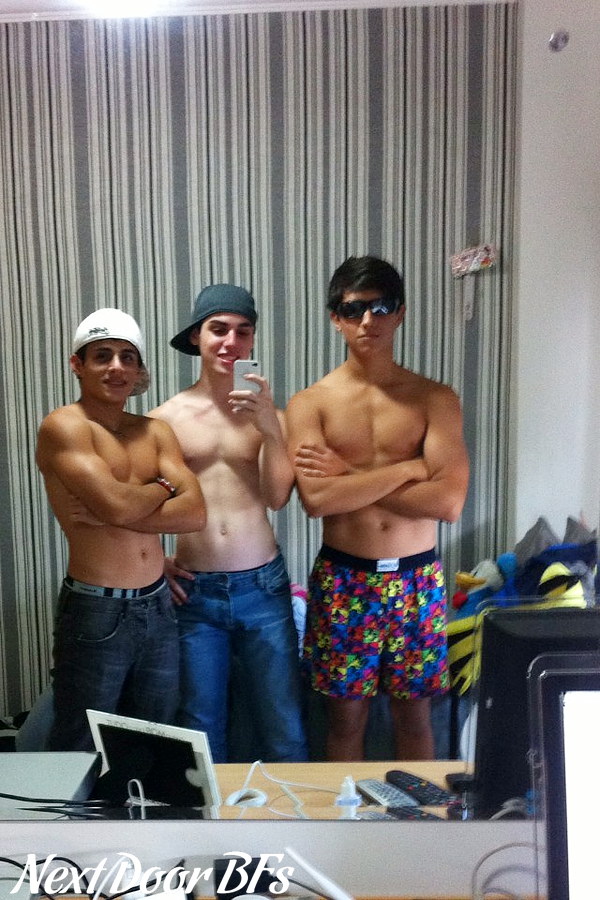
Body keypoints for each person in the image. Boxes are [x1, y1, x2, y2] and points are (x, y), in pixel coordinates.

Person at [286, 256, 469, 761]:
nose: (368, 320)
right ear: (336, 318)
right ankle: (344, 815)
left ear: (400, 313)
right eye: (354, 309)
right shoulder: (310, 404)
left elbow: (448, 502)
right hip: (345, 578)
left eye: (381, 307)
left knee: (416, 716)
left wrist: (346, 474)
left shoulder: (435, 399)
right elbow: (316, 499)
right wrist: (411, 469)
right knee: (345, 720)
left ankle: (418, 814)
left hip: (417, 579)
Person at [150, 284, 308, 763]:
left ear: (252, 341)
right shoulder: (164, 419)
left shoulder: (272, 417)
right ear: (196, 336)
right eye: (218, 329)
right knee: (200, 727)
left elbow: (277, 497)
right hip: (195, 592)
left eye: (243, 332)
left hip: (263, 587)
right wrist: (155, 561)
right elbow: (133, 504)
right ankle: (213, 814)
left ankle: (296, 813)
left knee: (283, 723)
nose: (230, 342)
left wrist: (270, 431)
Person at [36, 308, 206, 751]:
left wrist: (124, 507)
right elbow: (115, 505)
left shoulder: (155, 431)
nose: (116, 367)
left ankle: (140, 802)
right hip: (97, 608)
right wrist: (163, 487)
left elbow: (195, 513)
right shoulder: (65, 427)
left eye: (127, 357)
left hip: (158, 604)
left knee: (155, 738)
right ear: (77, 364)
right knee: (81, 741)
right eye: (103, 356)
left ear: (138, 369)